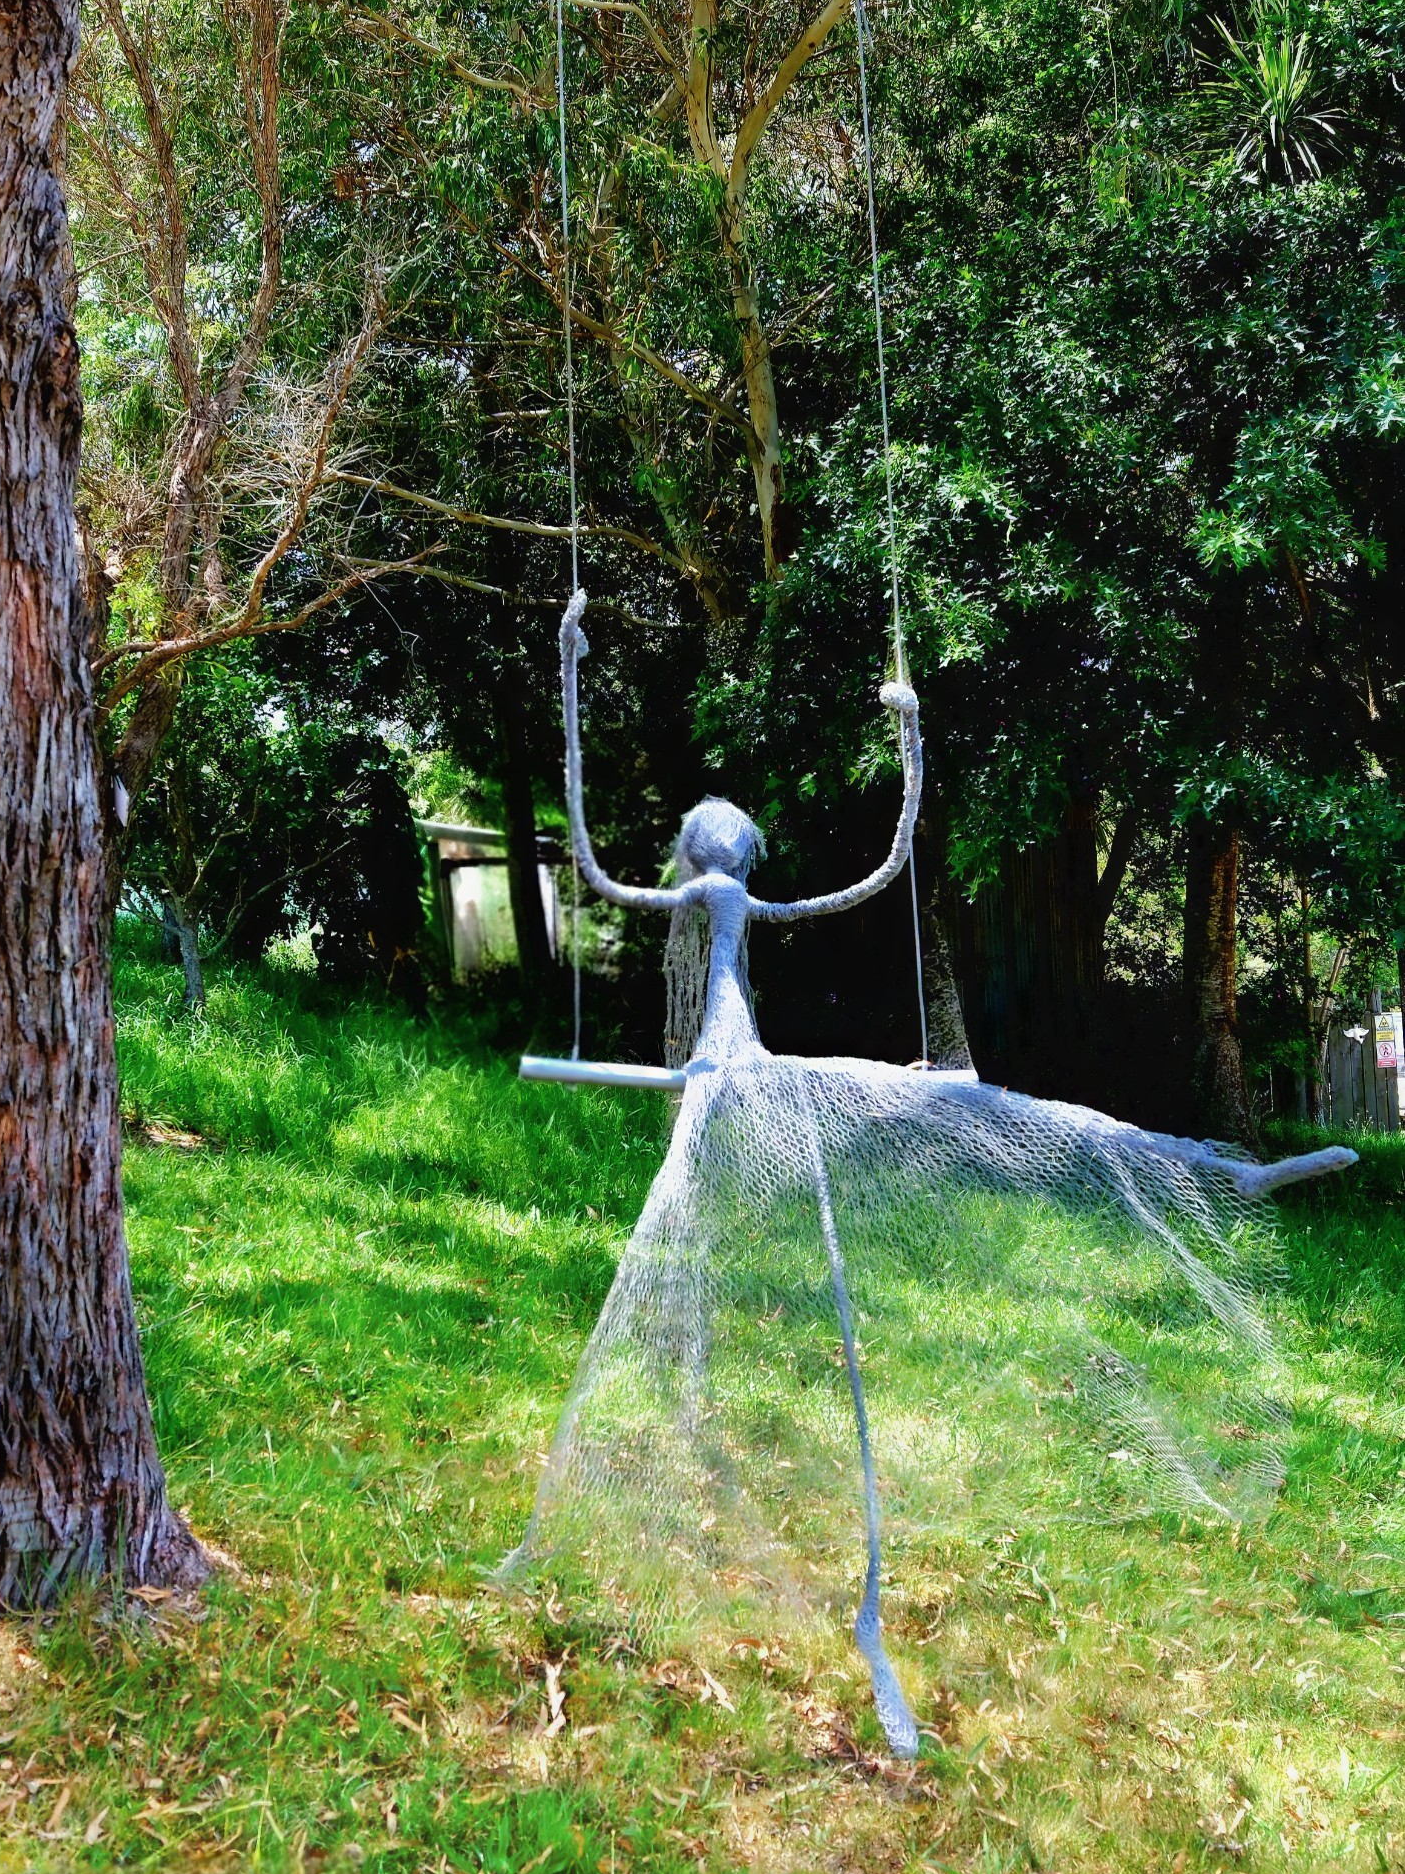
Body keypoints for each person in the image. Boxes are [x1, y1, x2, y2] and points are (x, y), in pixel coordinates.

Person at [505, 591, 1354, 1759]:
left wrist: (908, 742)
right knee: (736, 1251)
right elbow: (608, 865)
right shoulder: (701, 895)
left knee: (977, 1105)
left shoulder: (727, 890)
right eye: (728, 849)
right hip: (725, 1079)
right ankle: (865, 1615)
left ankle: (1207, 1169)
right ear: (716, 855)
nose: (731, 862)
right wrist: (567, 663)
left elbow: (877, 867)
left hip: (759, 1072)